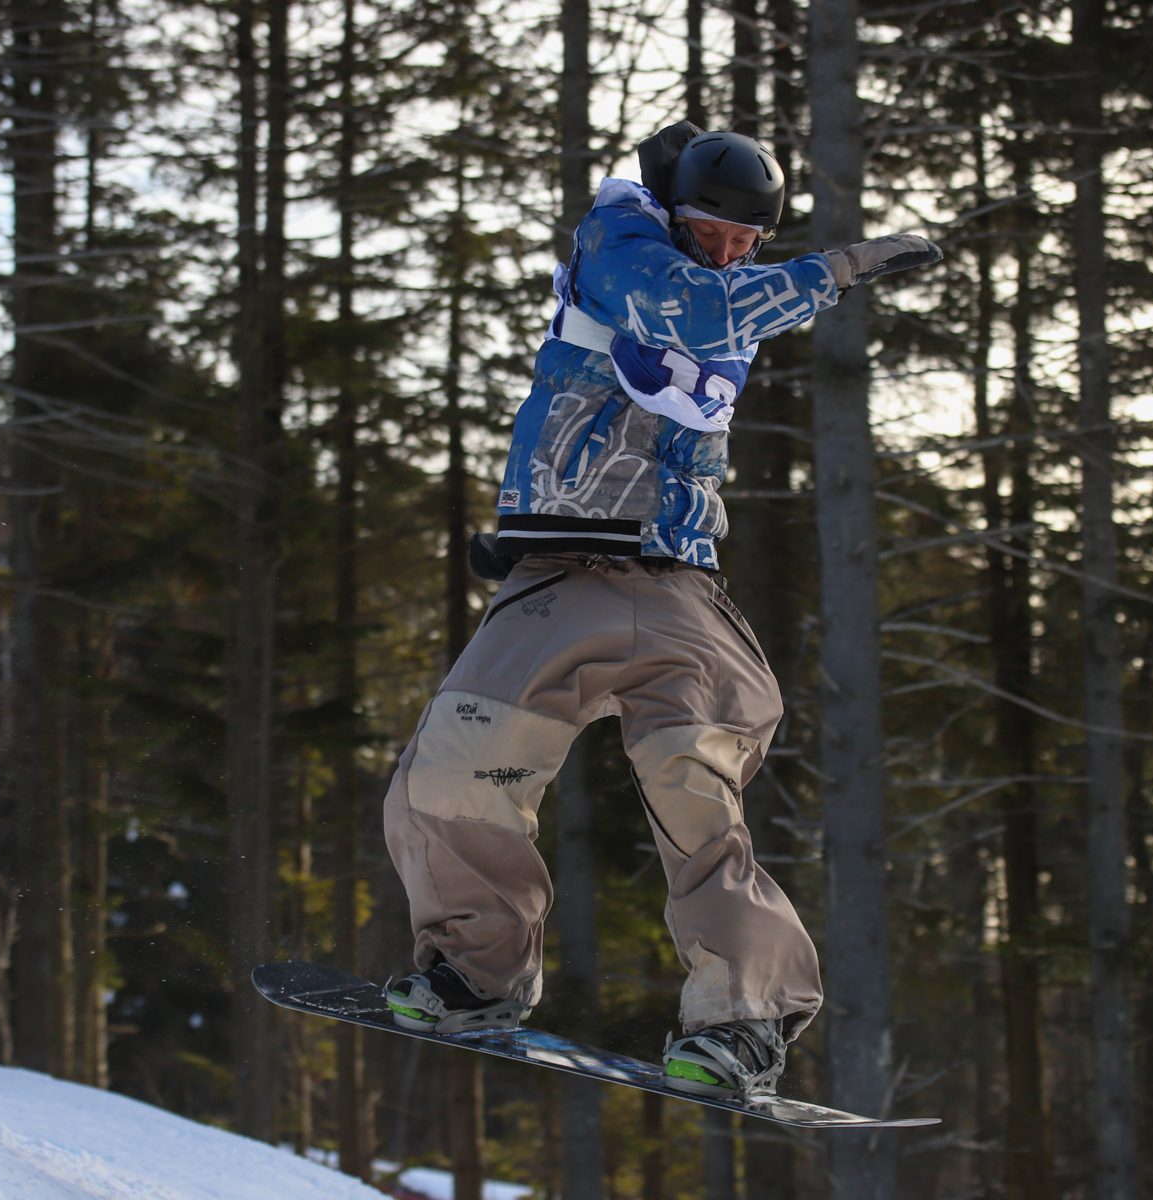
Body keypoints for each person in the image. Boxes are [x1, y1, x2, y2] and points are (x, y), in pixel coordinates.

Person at [382, 124, 940, 1098]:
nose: (725, 253)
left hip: (676, 590)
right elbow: (688, 312)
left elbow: (630, 427)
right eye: (710, 231)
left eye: (743, 243)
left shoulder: (727, 291)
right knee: (454, 776)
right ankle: (475, 972)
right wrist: (837, 268)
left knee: (696, 796)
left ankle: (744, 1019)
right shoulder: (623, 246)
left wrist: (523, 520)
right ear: (673, 213)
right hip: (559, 594)